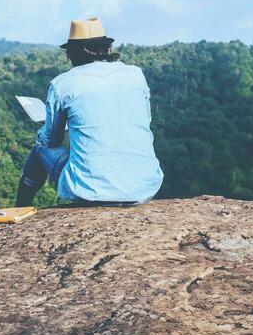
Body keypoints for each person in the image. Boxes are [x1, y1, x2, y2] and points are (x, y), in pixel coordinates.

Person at [15, 18, 163, 208]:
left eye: (69, 51)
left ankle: (19, 208)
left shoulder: (63, 84)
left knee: (39, 149)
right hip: (144, 188)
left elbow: (50, 140)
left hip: (89, 190)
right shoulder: (135, 74)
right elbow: (145, 120)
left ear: (77, 52)